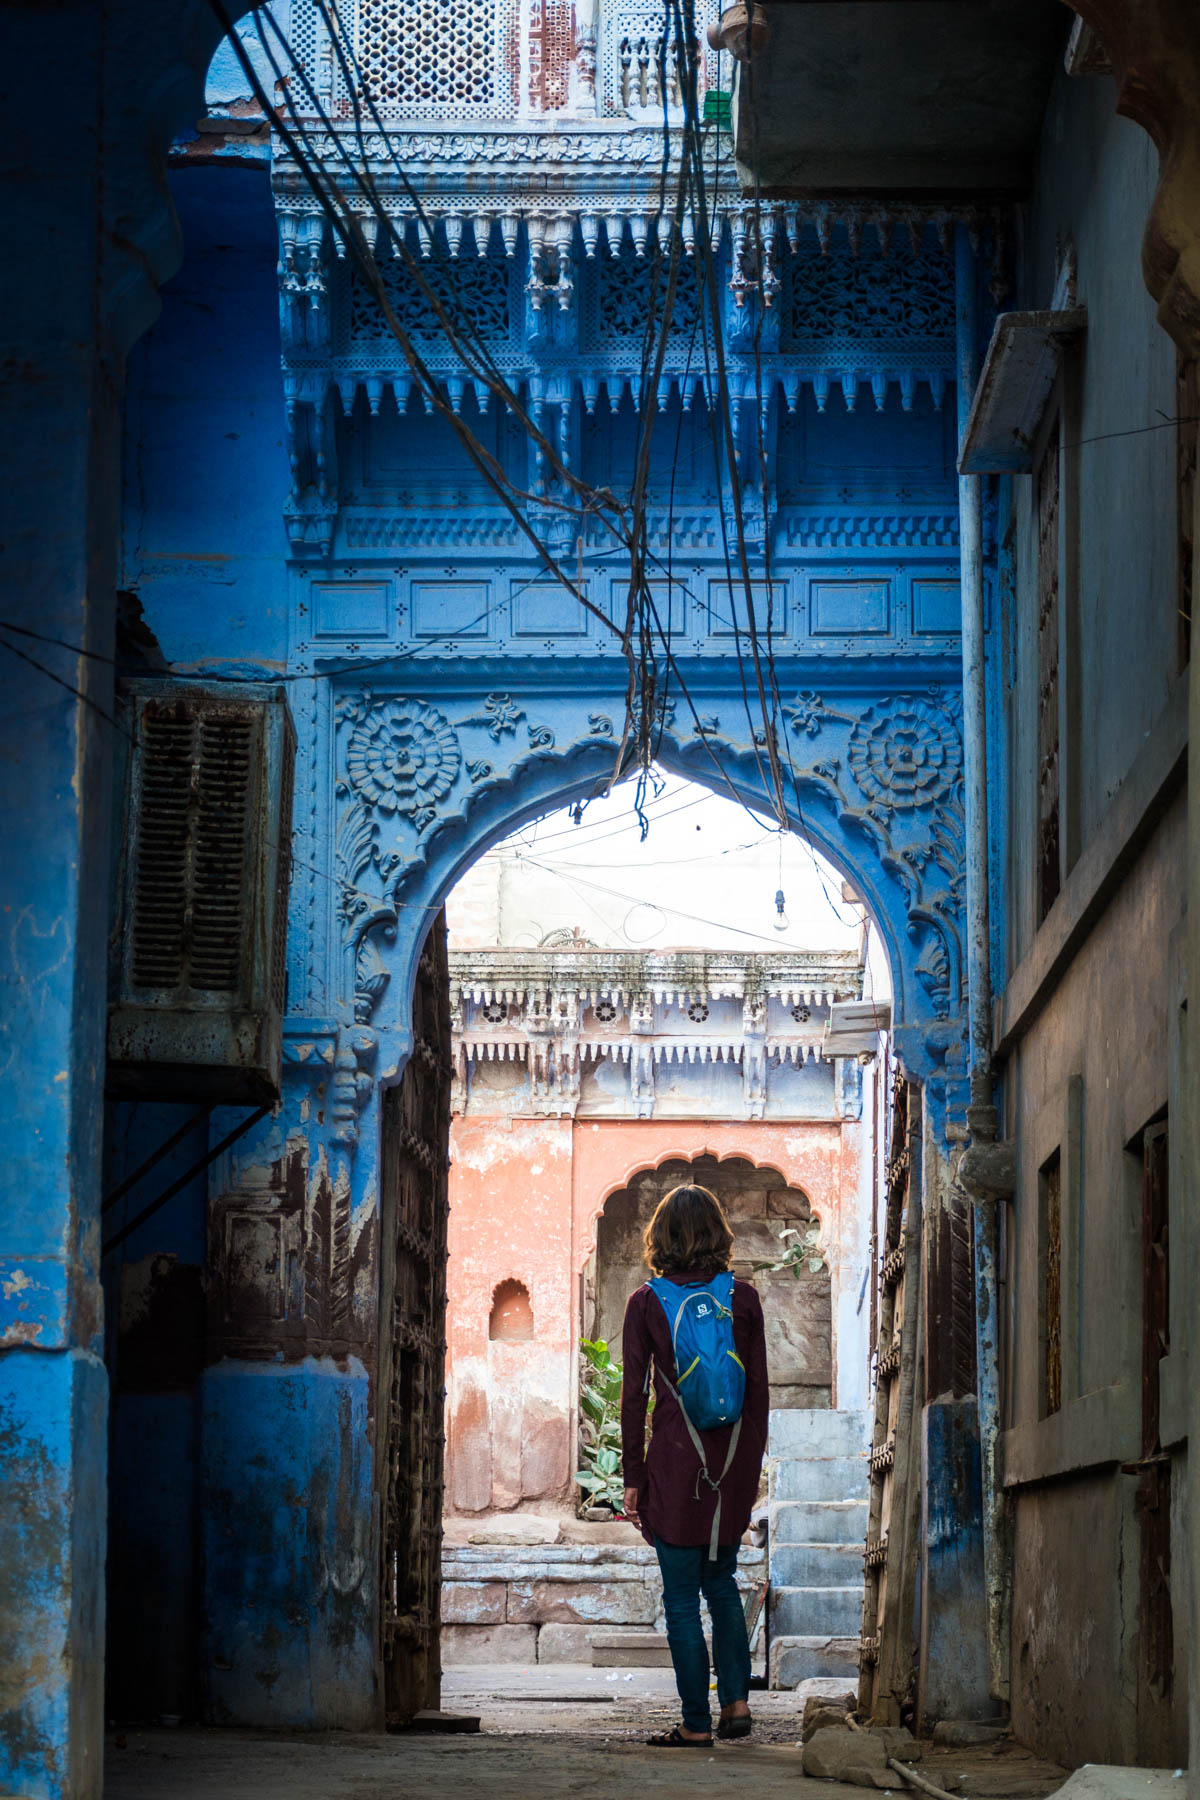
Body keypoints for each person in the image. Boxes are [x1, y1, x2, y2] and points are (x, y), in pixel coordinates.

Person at [620, 1182, 769, 1748]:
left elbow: (634, 1398)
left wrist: (633, 1478)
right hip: (730, 1464)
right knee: (722, 1583)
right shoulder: (744, 1299)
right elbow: (758, 1396)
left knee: (681, 1596)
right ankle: (735, 1707)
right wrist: (747, 1475)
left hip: (677, 1466)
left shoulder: (646, 1302)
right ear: (718, 1235)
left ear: (660, 1238)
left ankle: (694, 1724)